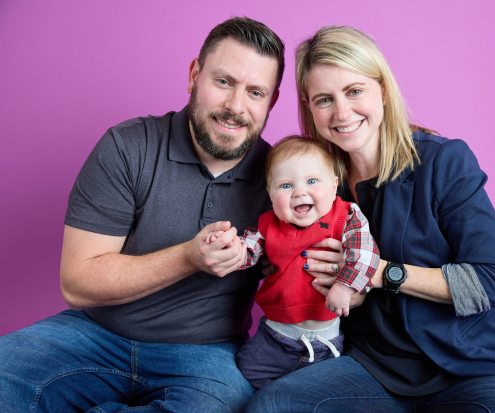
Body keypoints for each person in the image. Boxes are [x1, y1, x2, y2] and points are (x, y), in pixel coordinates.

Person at [245, 26, 495, 413]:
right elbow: (276, 250)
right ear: (309, 108)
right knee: (274, 406)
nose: (342, 112)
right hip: (372, 369)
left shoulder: (443, 162)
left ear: (383, 91)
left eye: (354, 91)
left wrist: (379, 273)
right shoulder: (313, 187)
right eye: (324, 99)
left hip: (467, 367)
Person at [0, 17, 284, 413]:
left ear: (271, 102)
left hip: (204, 355)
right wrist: (188, 258)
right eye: (223, 82)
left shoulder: (283, 177)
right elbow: (78, 283)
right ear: (194, 76)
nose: (236, 107)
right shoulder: (128, 146)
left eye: (255, 92)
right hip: (96, 334)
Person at [204, 136, 379, 389]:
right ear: (270, 194)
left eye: (311, 181)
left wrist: (345, 285)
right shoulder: (268, 225)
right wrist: (228, 246)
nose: (299, 192)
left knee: (321, 395)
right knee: (244, 383)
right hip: (274, 338)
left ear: (333, 186)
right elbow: (248, 250)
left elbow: (365, 253)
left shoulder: (346, 217)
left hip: (324, 345)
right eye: (285, 186)